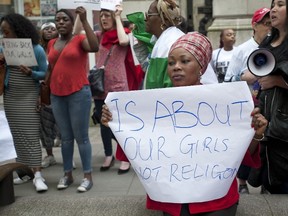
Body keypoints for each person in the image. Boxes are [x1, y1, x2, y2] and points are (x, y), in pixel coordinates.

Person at [101, 32, 268, 216]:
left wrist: (257, 133)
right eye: (171, 63)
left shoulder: (224, 103)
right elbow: (139, 149)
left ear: (201, 67)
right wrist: (116, 124)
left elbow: (242, 153)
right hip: (175, 201)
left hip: (216, 200)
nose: (176, 67)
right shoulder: (153, 106)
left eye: (184, 61)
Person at [47, 7, 98, 192]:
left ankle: (87, 176)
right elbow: (50, 68)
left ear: (71, 22)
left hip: (78, 93)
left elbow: (95, 47)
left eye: (65, 19)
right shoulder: (51, 43)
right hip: (56, 94)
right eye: (58, 19)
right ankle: (67, 174)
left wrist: (84, 20)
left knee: (82, 137)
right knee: (66, 139)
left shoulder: (79, 39)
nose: (60, 22)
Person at [224, 7, 271, 194]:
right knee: (246, 143)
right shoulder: (242, 50)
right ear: (254, 26)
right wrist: (245, 77)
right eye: (265, 24)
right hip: (247, 107)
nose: (269, 28)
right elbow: (227, 81)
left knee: (267, 145)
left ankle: (267, 181)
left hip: (269, 104)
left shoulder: (275, 47)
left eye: (271, 24)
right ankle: (242, 182)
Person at [93, 4, 144, 175]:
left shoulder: (124, 35)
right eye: (101, 16)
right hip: (100, 86)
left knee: (119, 124)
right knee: (103, 124)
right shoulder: (100, 36)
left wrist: (117, 16)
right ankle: (108, 154)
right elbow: (82, 35)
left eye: (107, 15)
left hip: (118, 86)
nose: (103, 19)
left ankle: (126, 156)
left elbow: (123, 41)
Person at [0, 13, 48, 192]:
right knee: (18, 136)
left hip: (28, 94)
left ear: (17, 30)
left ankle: (37, 174)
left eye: (7, 32)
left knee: (30, 135)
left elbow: (45, 73)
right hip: (11, 96)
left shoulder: (36, 49)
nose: (5, 36)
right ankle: (24, 172)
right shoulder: (3, 49)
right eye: (3, 33)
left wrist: (32, 73)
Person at [256, 0, 288, 194]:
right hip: (267, 127)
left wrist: (277, 82)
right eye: (273, 4)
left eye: (281, 4)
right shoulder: (267, 43)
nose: (273, 9)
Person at [38, 22, 61, 168]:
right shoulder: (38, 50)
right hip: (44, 91)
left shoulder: (60, 46)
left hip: (60, 90)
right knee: (45, 126)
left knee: (62, 124)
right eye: (46, 29)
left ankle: (67, 154)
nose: (49, 31)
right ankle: (50, 155)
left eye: (53, 29)